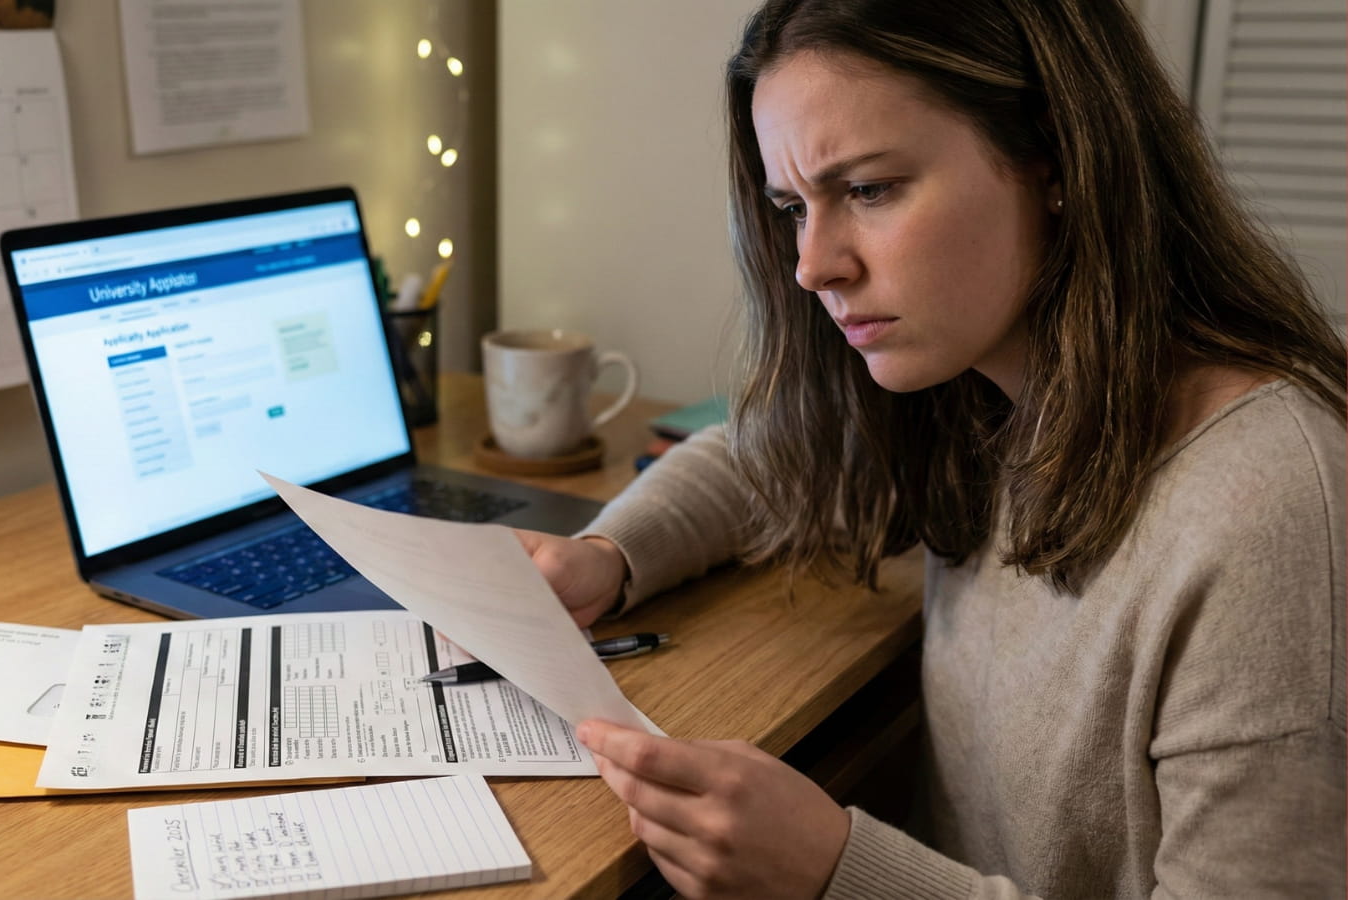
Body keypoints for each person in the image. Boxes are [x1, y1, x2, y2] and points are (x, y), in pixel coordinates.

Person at [514, 0, 1348, 896]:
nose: (812, 264)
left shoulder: (1269, 511)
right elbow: (773, 456)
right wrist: (609, 554)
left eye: (868, 190)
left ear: (1057, 157)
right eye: (794, 206)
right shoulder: (982, 383)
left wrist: (837, 870)